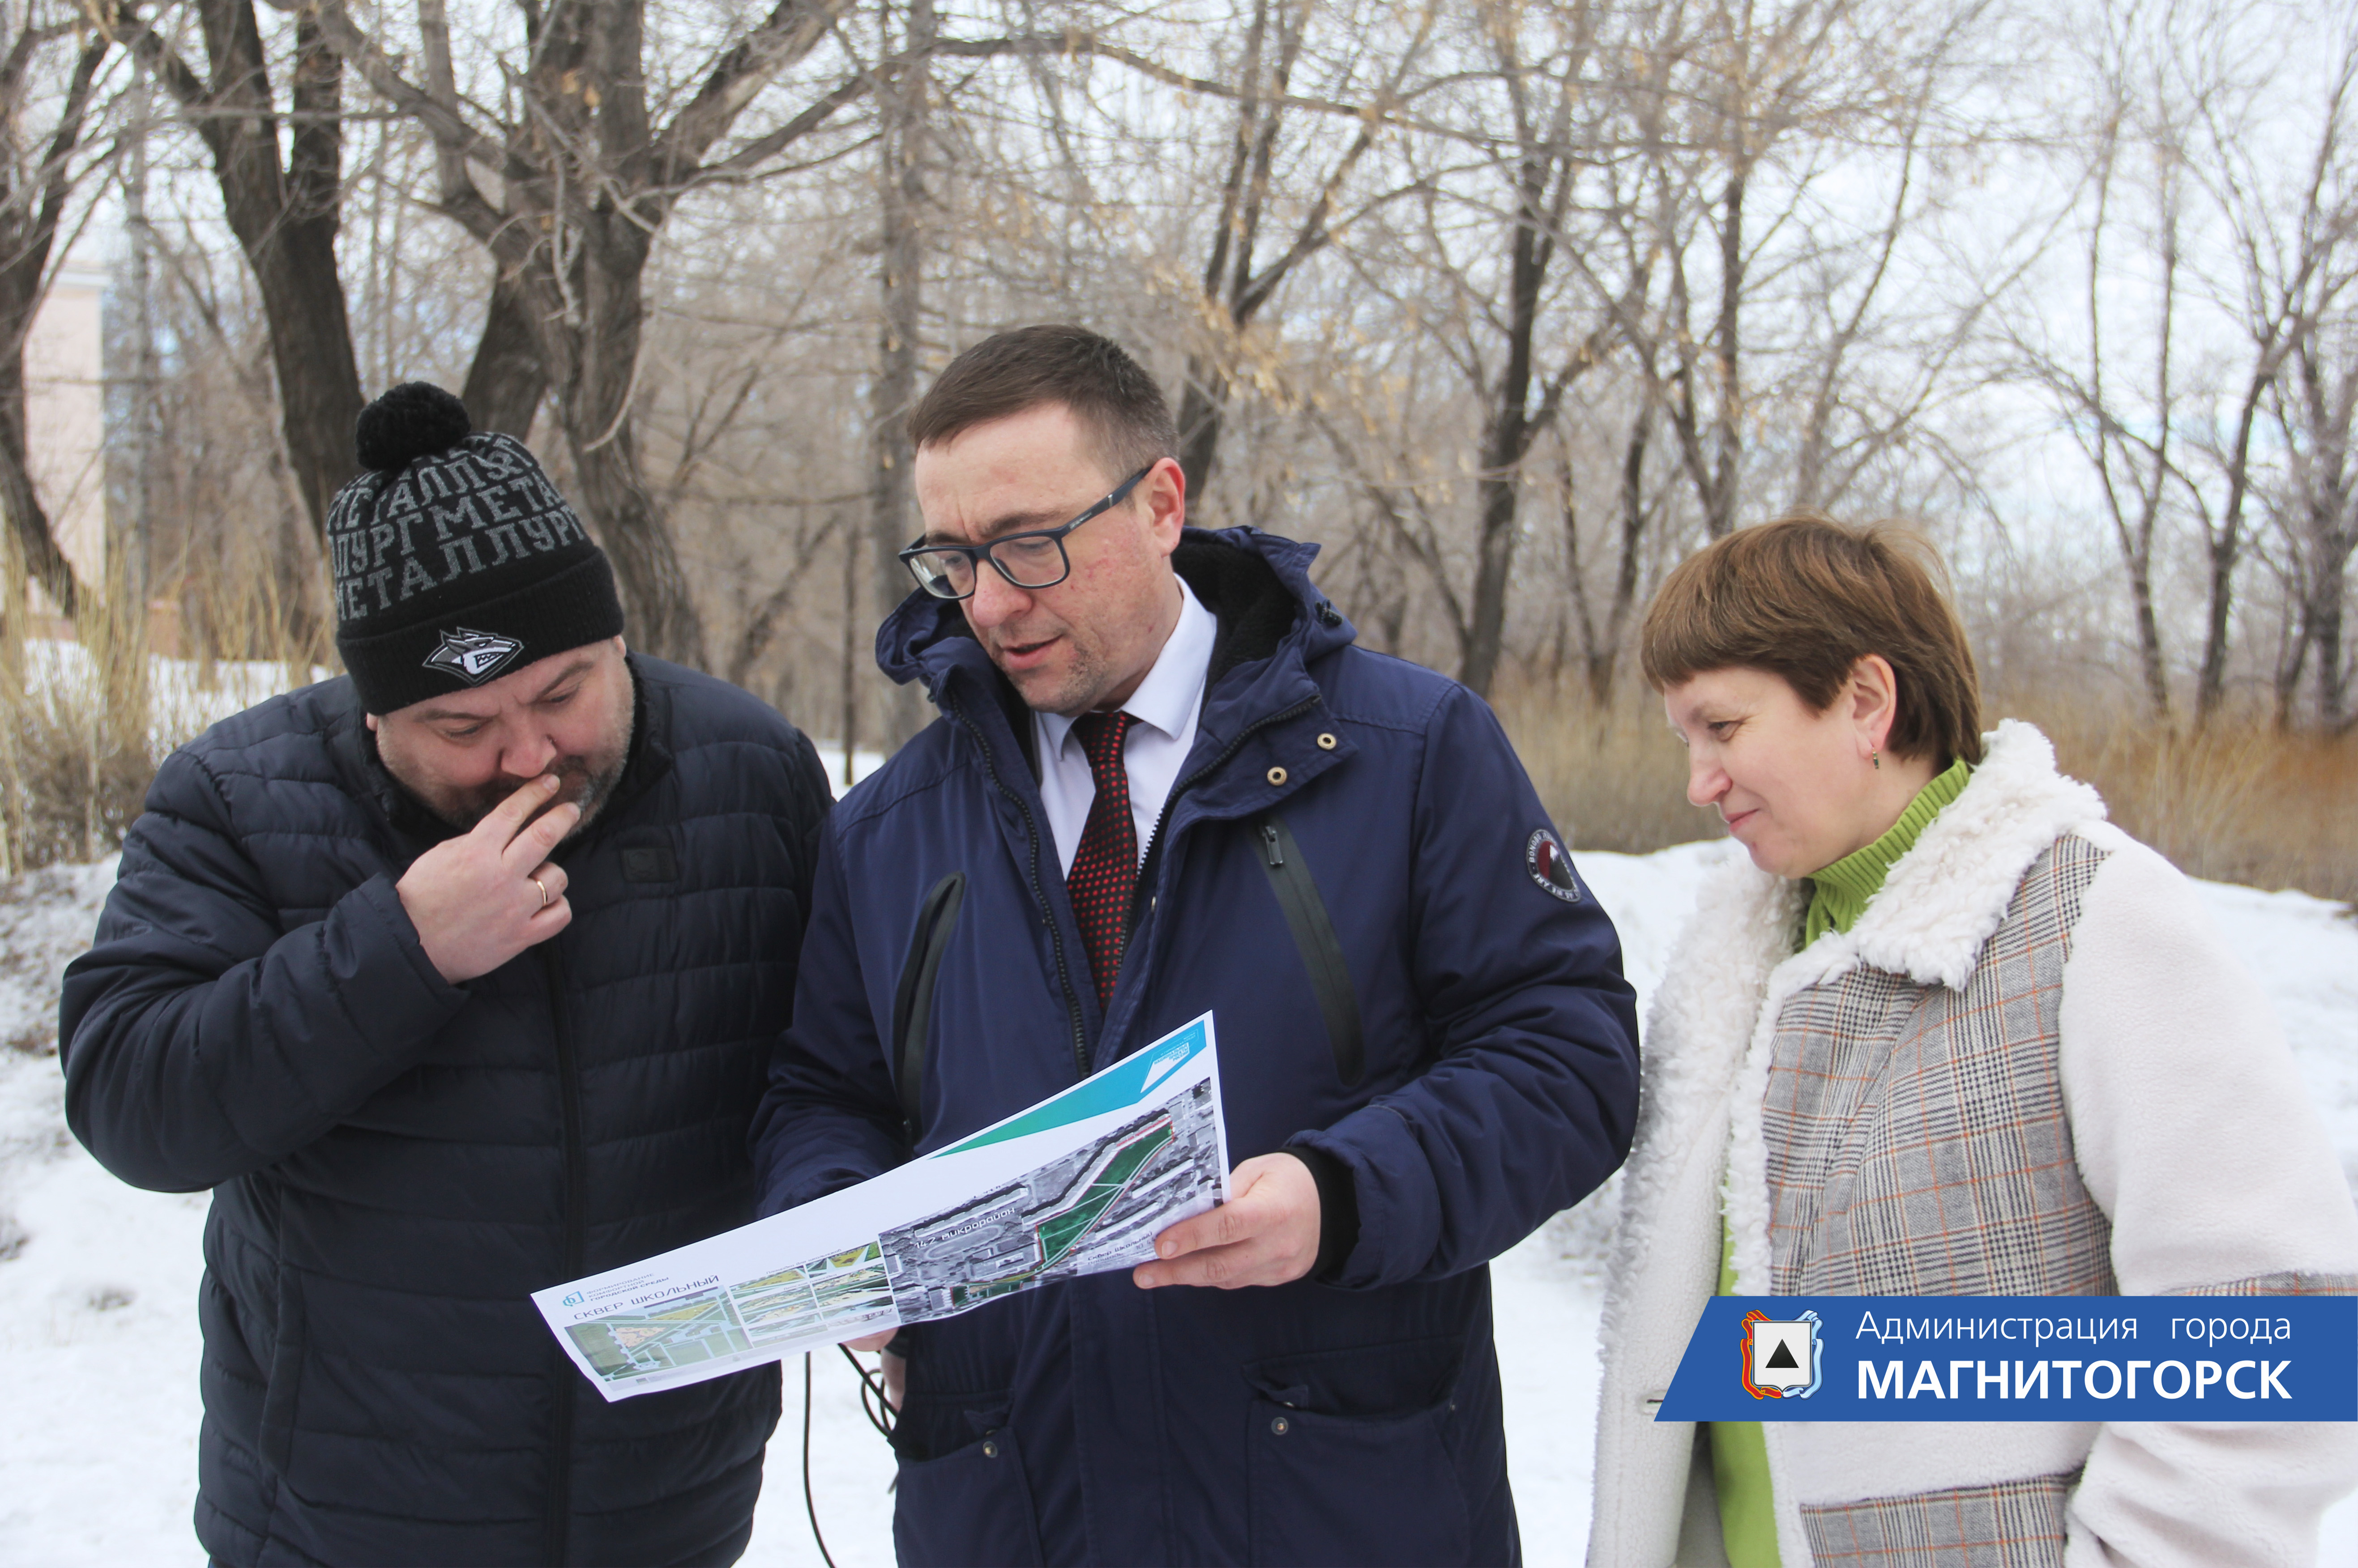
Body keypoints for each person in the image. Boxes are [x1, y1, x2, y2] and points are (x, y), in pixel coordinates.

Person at [751, 324, 1640, 1565]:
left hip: (1337, 1502)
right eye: (952, 559)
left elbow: (1568, 1059)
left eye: (1030, 545)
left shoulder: (1412, 752)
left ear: (1161, 503)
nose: (992, 603)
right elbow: (821, 1093)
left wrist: (1340, 1196)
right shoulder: (890, 828)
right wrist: (839, 1224)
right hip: (1012, 1507)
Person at [58, 383, 833, 1567]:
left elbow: (835, 1060)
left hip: (665, 1507)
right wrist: (397, 950)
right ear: (375, 716)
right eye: (461, 728)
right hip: (342, 1516)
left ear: (615, 639)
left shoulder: (752, 769)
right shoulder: (237, 800)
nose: (529, 755)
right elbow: (133, 1104)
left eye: (564, 692)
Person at [1589, 514, 2358, 1568]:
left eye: (1723, 728)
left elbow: (2278, 1336)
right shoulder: (1732, 966)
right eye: (1687, 740)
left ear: (1865, 702)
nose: (1699, 781)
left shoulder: (2096, 918)